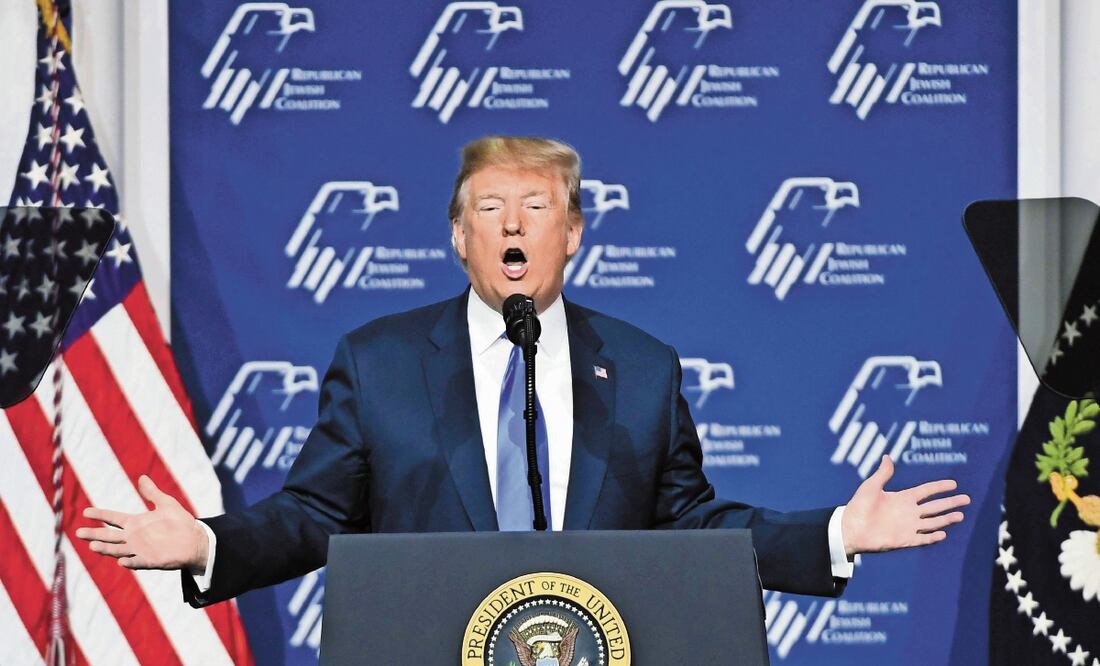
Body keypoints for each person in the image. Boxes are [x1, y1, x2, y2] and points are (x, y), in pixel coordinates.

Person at [76, 136, 970, 606]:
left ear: (574, 233)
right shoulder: (379, 362)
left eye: (536, 207)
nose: (513, 226)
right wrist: (207, 544)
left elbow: (692, 525)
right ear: (458, 239)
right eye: (490, 209)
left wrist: (836, 536)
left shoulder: (645, 370)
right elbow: (313, 516)